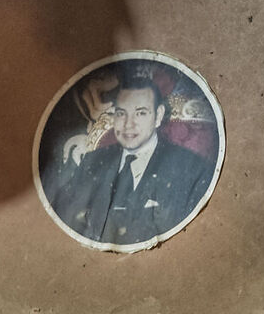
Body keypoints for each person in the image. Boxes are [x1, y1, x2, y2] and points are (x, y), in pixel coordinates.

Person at [43, 61, 213, 248]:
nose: (128, 125)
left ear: (158, 116)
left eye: (140, 113)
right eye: (121, 114)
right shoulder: (93, 161)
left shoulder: (189, 167)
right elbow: (62, 214)